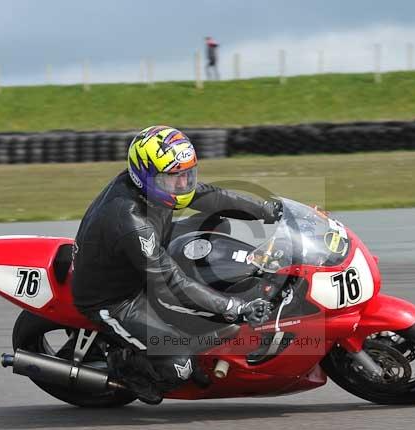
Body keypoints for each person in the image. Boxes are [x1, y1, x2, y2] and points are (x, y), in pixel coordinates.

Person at [72, 125, 281, 404]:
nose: (183, 184)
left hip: (143, 256)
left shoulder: (156, 185)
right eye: (175, 177)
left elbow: (210, 196)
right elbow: (171, 282)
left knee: (219, 224)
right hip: (116, 299)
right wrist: (236, 308)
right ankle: (127, 366)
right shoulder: (131, 221)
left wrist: (265, 210)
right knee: (179, 365)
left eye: (188, 174)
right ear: (146, 176)